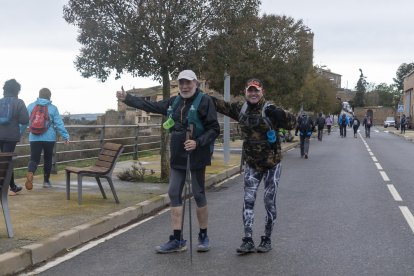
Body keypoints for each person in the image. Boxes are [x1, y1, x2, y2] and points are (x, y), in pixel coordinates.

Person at [117, 70, 220, 253]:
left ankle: (203, 235)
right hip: (178, 155)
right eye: (181, 83)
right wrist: (128, 98)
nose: (184, 86)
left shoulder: (205, 101)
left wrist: (198, 142)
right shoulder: (174, 102)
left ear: (195, 83)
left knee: (198, 194)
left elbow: (214, 129)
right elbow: (151, 106)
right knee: (173, 193)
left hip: (197, 154)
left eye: (188, 83)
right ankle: (177, 239)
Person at [211, 78, 296, 254]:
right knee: (248, 201)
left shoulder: (270, 110)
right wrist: (196, 93)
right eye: (250, 90)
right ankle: (248, 239)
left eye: (256, 90)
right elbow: (219, 105)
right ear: (245, 92)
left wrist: (281, 113)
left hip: (272, 164)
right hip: (252, 165)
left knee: (268, 202)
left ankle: (266, 238)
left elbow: (292, 123)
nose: (253, 93)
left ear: (262, 92)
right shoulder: (240, 109)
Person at [24, 88, 70, 190]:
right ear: (49, 96)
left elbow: (26, 121)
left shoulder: (31, 106)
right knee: (48, 158)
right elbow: (59, 124)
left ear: (39, 95)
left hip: (34, 137)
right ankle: (46, 181)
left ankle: (31, 172)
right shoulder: (53, 108)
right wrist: (66, 136)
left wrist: (19, 132)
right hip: (49, 138)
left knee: (34, 158)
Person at [0, 79, 29, 195]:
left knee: (4, 162)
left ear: (4, 89)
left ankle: (12, 186)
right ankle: (9, 187)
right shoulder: (19, 102)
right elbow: (24, 120)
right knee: (7, 161)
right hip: (10, 136)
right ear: (17, 90)